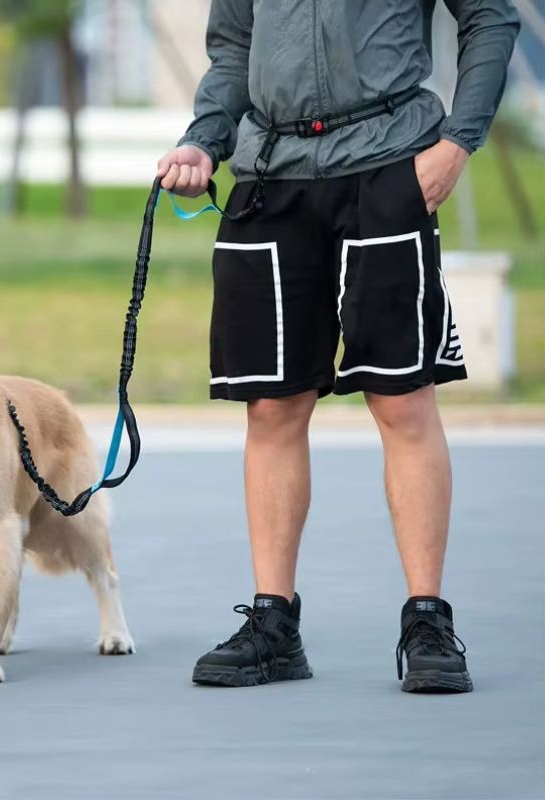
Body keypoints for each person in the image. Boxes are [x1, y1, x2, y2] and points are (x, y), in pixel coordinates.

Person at [158, 0, 519, 692]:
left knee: (402, 401)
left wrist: (457, 143)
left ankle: (427, 622)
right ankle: (274, 625)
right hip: (269, 178)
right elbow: (233, 50)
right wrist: (204, 140)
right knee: (269, 407)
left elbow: (491, 18)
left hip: (389, 168)